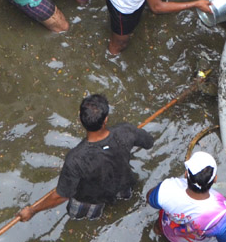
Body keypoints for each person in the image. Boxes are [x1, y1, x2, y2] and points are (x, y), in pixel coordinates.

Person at [17, 94, 153, 221]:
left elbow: (61, 196)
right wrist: (133, 133)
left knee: (81, 218)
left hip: (90, 199)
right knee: (124, 200)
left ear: (81, 119)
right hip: (123, 185)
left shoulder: (76, 159)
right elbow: (148, 142)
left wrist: (33, 210)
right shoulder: (125, 131)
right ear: (105, 119)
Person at [145, 151, 226, 242]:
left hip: (168, 230)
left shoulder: (167, 188)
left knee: (159, 226)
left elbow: (150, 198)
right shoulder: (221, 213)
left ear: (186, 174)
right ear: (215, 179)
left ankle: (158, 233)